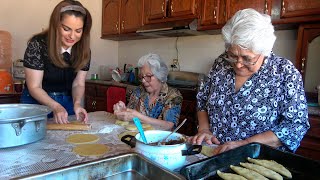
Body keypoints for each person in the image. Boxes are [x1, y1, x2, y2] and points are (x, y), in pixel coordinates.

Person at [189, 8, 310, 155]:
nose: (238, 64)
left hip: (256, 161)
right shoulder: (221, 63)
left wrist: (245, 144)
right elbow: (202, 99)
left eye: (248, 59)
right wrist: (204, 129)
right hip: (215, 153)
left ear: (263, 52)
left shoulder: (284, 72)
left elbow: (295, 126)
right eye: (233, 55)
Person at [20, 0, 92, 124]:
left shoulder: (83, 50)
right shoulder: (38, 45)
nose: (72, 36)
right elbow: (34, 87)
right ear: (56, 25)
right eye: (66, 29)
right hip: (35, 102)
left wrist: (77, 103)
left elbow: (78, 84)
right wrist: (55, 106)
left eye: (78, 31)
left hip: (66, 101)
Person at [113, 53, 183, 130]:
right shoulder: (139, 91)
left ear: (160, 75)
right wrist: (123, 111)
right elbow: (130, 115)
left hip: (161, 139)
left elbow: (169, 125)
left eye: (148, 76)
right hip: (137, 136)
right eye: (142, 76)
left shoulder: (173, 95)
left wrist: (139, 117)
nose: (143, 80)